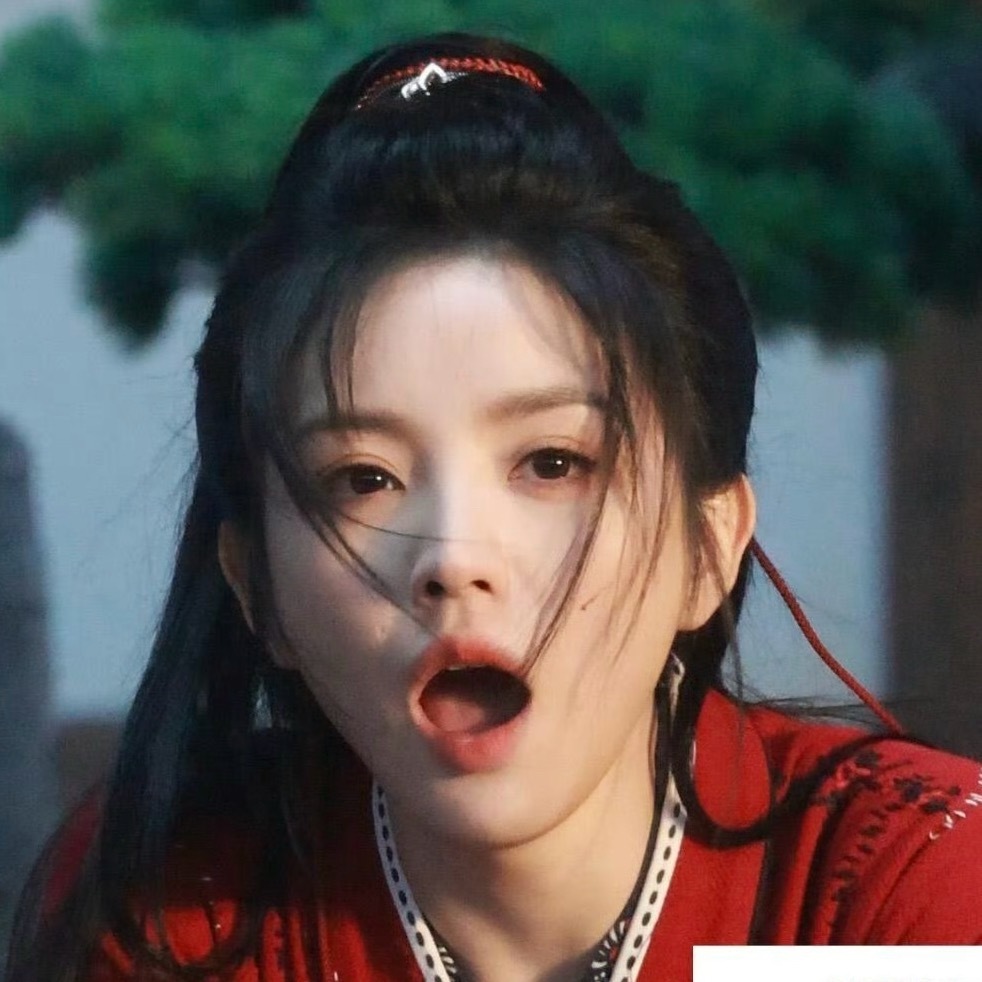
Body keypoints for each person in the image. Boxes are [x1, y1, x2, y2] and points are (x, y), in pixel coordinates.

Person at [7, 32, 982, 982]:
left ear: (707, 547)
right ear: (257, 586)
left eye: (552, 462)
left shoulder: (900, 898)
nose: (453, 557)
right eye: (363, 478)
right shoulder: (180, 914)